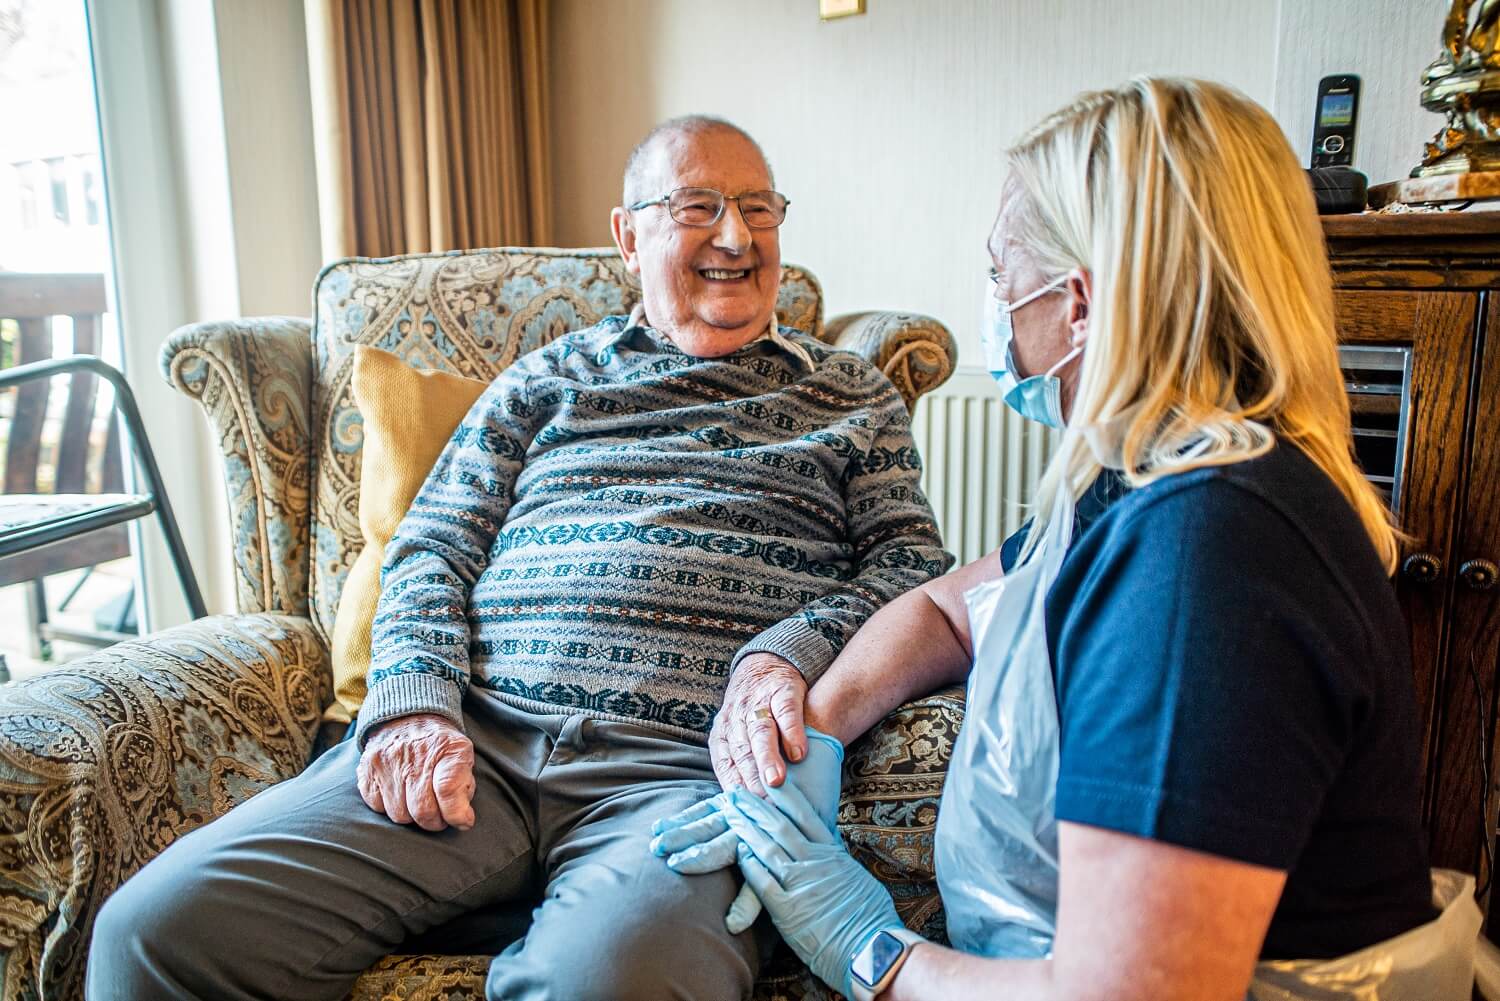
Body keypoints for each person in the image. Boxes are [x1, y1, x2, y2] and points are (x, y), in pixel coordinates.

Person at [85, 115, 952, 1001]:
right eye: (698, 207)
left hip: (676, 770)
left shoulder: (848, 393)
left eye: (759, 209)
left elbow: (912, 566)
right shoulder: (547, 380)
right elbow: (433, 546)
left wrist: (788, 650)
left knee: (616, 982)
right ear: (627, 236)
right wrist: (414, 703)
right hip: (471, 745)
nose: (736, 236)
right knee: (151, 934)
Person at [657, 78, 1477, 1001]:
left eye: (1000, 272)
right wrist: (811, 736)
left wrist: (870, 950)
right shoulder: (1138, 480)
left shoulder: (1209, 553)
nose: (996, 302)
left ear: (1078, 304)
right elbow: (949, 609)